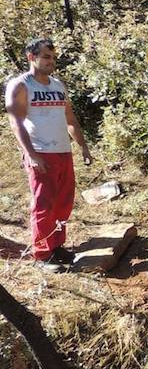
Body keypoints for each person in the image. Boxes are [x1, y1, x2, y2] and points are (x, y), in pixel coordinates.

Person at [5, 37, 92, 272]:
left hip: (63, 151)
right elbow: (16, 123)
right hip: (41, 153)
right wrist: (31, 153)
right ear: (31, 57)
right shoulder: (21, 85)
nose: (51, 61)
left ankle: (56, 245)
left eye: (53, 58)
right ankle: (42, 254)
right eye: (46, 57)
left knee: (63, 204)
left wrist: (82, 146)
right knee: (44, 204)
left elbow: (70, 119)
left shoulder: (57, 85)